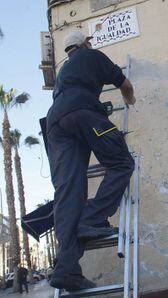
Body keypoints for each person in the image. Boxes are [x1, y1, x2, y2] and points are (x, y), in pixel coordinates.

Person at [46, 30, 136, 290]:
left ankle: (67, 270)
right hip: (83, 112)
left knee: (68, 194)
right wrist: (129, 99)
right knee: (121, 163)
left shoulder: (63, 73)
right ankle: (93, 218)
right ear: (84, 43)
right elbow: (125, 84)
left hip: (55, 124)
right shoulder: (92, 55)